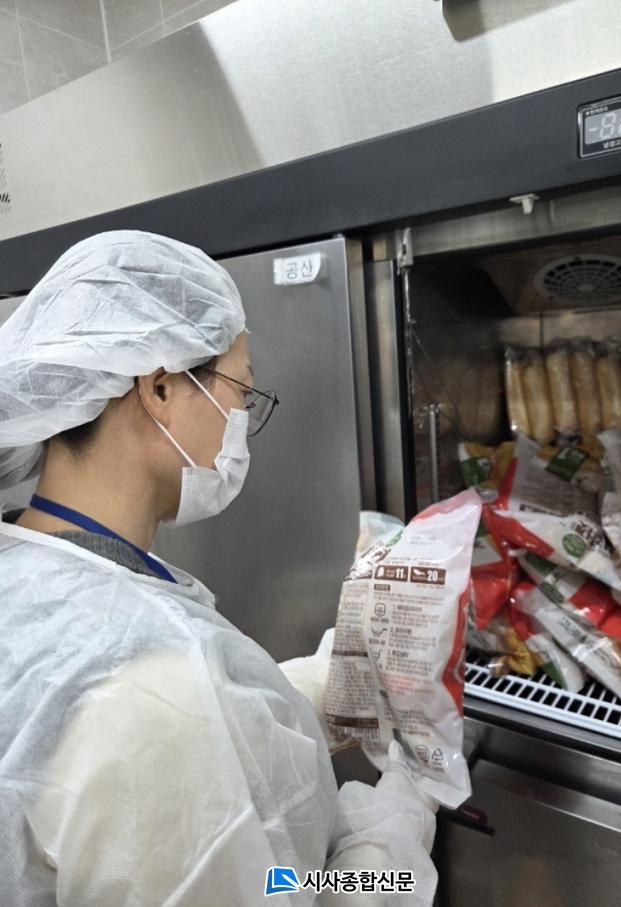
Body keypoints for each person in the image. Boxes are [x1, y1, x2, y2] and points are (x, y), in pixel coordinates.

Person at [0, 231, 438, 906]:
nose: (241, 420)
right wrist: (397, 825)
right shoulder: (166, 697)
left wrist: (341, 682)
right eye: (241, 390)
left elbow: (211, 733)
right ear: (160, 387)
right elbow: (292, 886)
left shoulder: (33, 573)